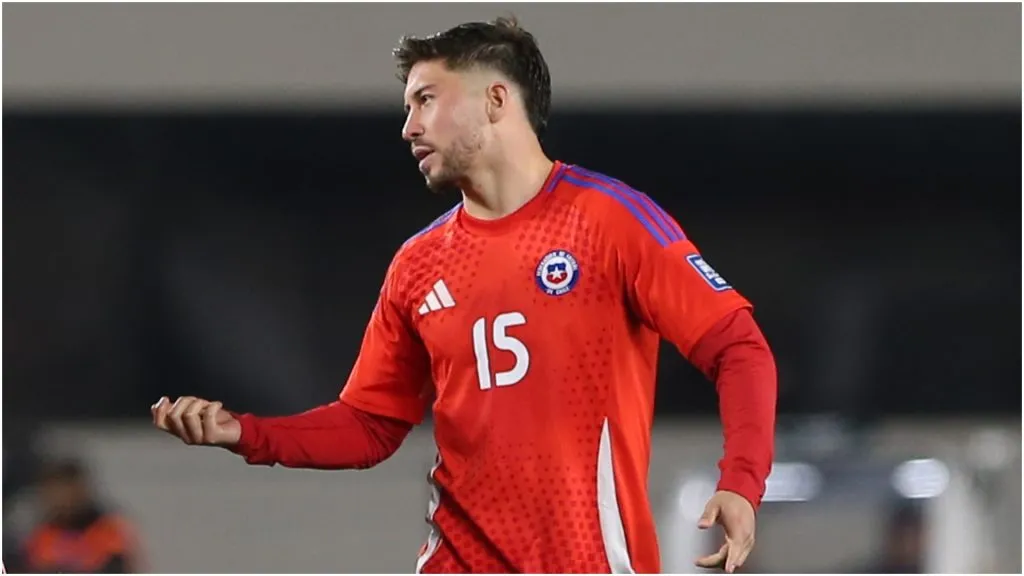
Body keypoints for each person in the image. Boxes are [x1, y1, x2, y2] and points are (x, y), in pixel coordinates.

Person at [152, 16, 777, 574]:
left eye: (425, 99)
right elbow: (368, 425)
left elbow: (739, 348)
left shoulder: (610, 221)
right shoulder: (418, 264)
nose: (408, 127)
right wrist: (244, 432)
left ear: (496, 100)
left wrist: (741, 482)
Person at [18, 458, 142, 574]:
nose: (61, 501)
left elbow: (116, 568)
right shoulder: (41, 536)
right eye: (53, 493)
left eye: (66, 491)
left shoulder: (108, 529)